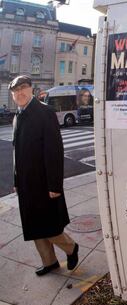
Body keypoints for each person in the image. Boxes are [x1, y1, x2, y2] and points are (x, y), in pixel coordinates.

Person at [9, 75, 79, 276]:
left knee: (48, 226)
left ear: (31, 89)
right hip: (25, 184)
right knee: (33, 226)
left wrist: (55, 185)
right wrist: (16, 180)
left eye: (23, 88)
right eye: (15, 91)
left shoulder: (45, 113)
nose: (19, 93)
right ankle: (49, 262)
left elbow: (54, 152)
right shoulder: (17, 116)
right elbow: (17, 152)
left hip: (43, 183)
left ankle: (71, 248)